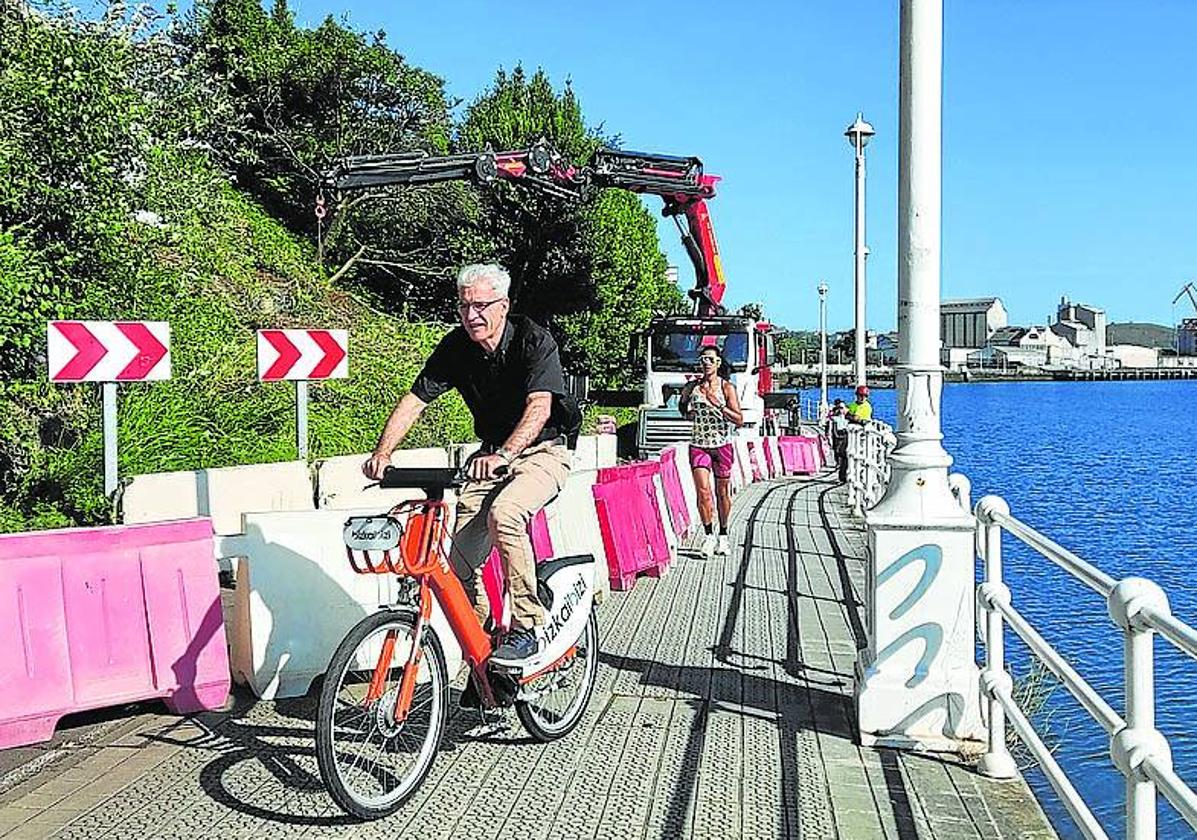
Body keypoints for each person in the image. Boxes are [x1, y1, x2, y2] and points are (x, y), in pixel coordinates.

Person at [362, 263, 578, 665]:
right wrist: (383, 453)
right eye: (464, 307)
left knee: (506, 513)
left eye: (481, 305)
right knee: (456, 562)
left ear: (504, 305)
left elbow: (540, 406)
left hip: (543, 452)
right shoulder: (456, 347)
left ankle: (528, 625)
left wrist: (505, 455)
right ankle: (484, 653)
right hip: (491, 454)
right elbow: (415, 401)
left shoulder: (534, 340)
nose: (471, 315)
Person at [679, 346, 743, 558]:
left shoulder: (727, 388)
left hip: (722, 444)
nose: (706, 363)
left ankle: (723, 534)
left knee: (721, 493)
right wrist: (689, 413)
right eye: (703, 359)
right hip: (699, 444)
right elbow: (683, 407)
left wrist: (718, 405)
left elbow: (739, 419)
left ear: (718, 364)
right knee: (703, 491)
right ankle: (708, 536)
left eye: (710, 359)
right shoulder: (692, 387)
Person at [827, 399, 850, 483]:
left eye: (842, 408)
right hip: (837, 436)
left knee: (844, 455)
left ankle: (843, 473)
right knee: (837, 452)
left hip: (845, 437)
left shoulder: (848, 419)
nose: (841, 410)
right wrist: (829, 436)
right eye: (839, 408)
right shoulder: (834, 418)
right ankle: (840, 467)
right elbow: (830, 427)